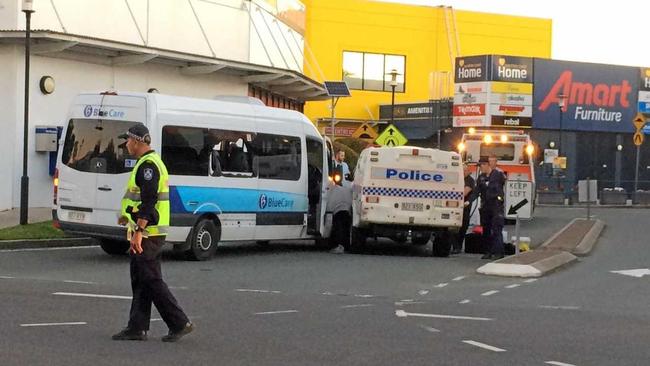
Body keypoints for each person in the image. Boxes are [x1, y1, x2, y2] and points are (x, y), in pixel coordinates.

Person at [112, 124, 194, 342]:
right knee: (141, 278)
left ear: (137, 142)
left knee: (150, 278)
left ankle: (179, 322)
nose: (125, 144)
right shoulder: (147, 163)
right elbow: (141, 201)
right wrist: (128, 217)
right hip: (147, 231)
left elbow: (149, 201)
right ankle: (137, 327)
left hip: (148, 233)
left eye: (127, 140)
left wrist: (139, 230)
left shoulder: (148, 166)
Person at [480, 154, 506, 260]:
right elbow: (478, 190)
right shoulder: (482, 176)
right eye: (488, 161)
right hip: (486, 206)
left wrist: (498, 200)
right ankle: (488, 252)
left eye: (491, 161)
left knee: (496, 229)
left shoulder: (498, 174)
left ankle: (499, 252)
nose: (490, 163)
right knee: (486, 230)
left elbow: (498, 190)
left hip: (495, 206)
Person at [452, 162, 476, 254]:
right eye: (462, 170)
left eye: (465, 170)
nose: (463, 172)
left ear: (468, 171)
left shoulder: (470, 180)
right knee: (453, 227)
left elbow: (464, 193)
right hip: (455, 206)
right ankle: (455, 247)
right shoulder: (457, 178)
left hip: (464, 207)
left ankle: (458, 246)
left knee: (463, 227)